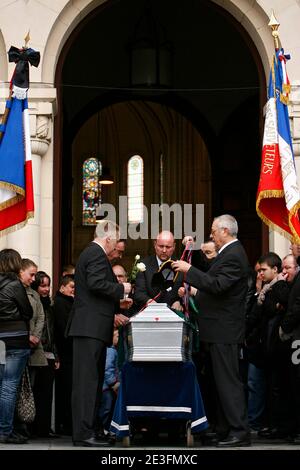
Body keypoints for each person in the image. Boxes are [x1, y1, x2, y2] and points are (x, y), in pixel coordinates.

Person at [172, 214, 251, 447]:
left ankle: (239, 431)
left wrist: (189, 270)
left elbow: (217, 285)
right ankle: (226, 428)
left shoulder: (234, 254)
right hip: (218, 328)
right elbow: (215, 282)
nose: (211, 235)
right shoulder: (228, 253)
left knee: (228, 382)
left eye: (214, 231)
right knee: (220, 382)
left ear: (225, 231)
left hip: (225, 329)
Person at [68, 220, 131, 447]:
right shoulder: (95, 254)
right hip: (88, 327)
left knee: (93, 383)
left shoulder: (93, 253)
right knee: (87, 384)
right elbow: (96, 283)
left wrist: (117, 306)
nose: (116, 246)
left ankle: (92, 429)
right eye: (115, 241)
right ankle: (84, 433)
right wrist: (120, 289)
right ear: (108, 239)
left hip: (92, 327)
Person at [0, 249, 33, 444]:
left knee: (1, 385)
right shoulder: (15, 284)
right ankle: (5, 430)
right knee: (9, 386)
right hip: (16, 339)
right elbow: (27, 311)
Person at [31, 271, 60, 438]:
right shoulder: (34, 303)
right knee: (35, 392)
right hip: (36, 351)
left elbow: (52, 332)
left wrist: (56, 355)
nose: (46, 289)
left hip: (49, 353)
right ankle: (33, 428)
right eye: (43, 285)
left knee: (46, 394)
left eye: (48, 285)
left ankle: (44, 428)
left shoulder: (49, 305)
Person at [133, 230, 182, 311]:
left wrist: (178, 301)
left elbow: (186, 292)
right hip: (150, 314)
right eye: (161, 246)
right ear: (155, 245)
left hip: (173, 314)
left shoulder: (181, 266)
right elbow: (139, 293)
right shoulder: (143, 264)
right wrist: (150, 302)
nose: (164, 250)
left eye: (168, 247)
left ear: (174, 246)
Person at [53, 275, 75, 435]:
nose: (74, 291)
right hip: (66, 353)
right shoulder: (61, 303)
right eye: (71, 287)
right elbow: (64, 329)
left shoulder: (67, 302)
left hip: (67, 353)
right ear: (62, 288)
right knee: (66, 389)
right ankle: (65, 423)